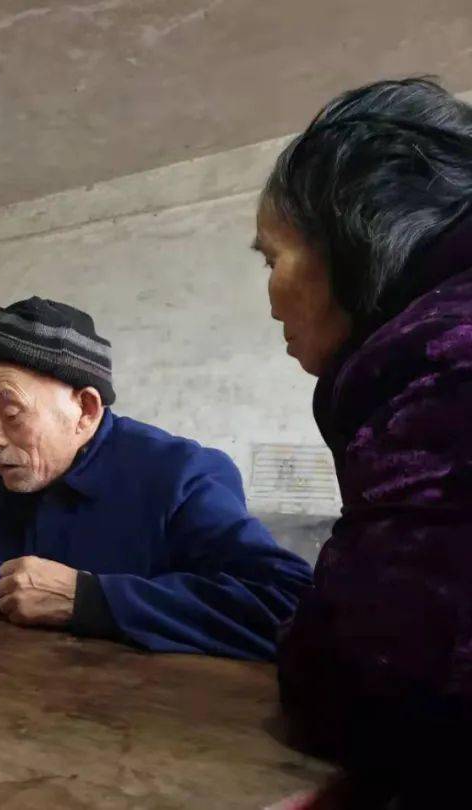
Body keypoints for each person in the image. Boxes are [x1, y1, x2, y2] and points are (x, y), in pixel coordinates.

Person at [253, 77, 472, 806]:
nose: (270, 299)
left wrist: (95, 597)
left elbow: (378, 678)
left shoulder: (444, 357)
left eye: (270, 258)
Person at [0, 296, 312, 661]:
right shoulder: (8, 479)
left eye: (11, 414)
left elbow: (287, 604)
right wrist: (13, 587)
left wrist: (91, 600)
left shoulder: (178, 476)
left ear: (85, 410)